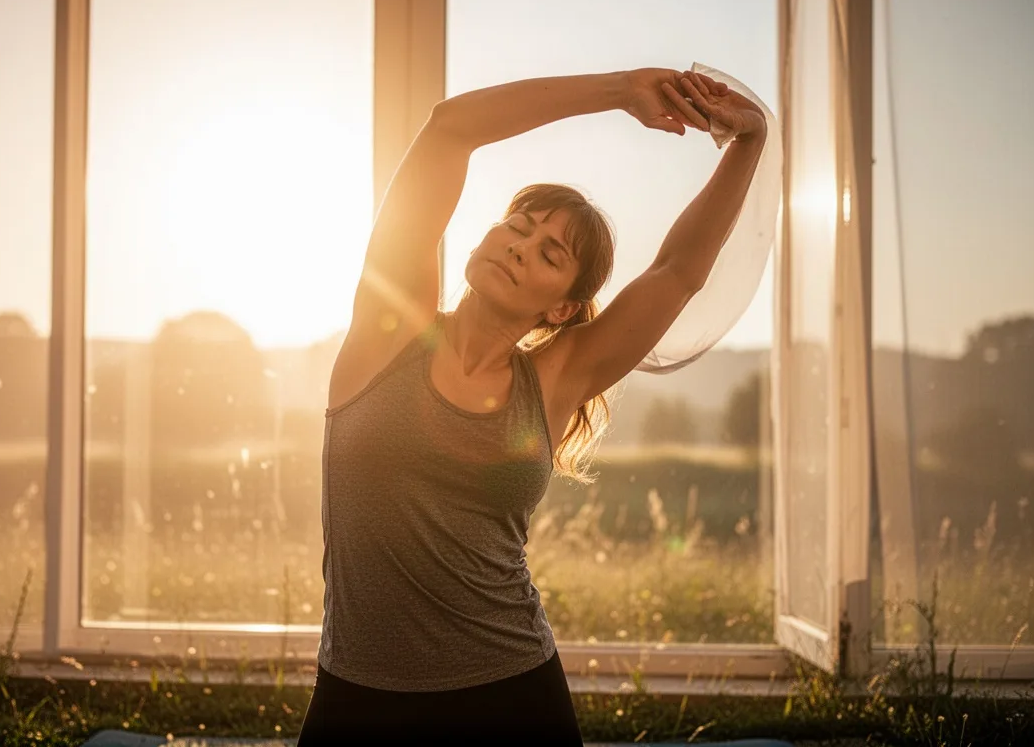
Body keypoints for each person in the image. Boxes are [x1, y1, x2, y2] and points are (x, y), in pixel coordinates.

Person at [295, 68, 767, 745]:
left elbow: (679, 271)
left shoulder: (555, 379)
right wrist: (619, 91)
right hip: (358, 694)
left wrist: (747, 145)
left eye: (549, 253)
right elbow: (448, 130)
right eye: (515, 226)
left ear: (562, 306)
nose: (518, 245)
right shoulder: (386, 332)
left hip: (510, 690)